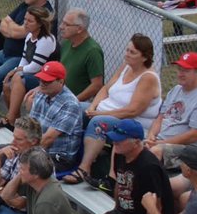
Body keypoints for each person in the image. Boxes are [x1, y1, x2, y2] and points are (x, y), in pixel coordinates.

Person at [65, 34, 161, 186]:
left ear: (144, 57)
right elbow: (105, 88)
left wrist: (99, 113)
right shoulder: (126, 66)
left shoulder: (148, 78)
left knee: (99, 122)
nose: (127, 54)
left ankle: (84, 168)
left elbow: (132, 111)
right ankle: (64, 156)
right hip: (104, 111)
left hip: (128, 122)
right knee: (74, 107)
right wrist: (92, 106)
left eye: (132, 52)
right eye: (127, 50)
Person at [145, 52, 197, 169]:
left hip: (188, 150)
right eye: (179, 69)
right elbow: (161, 117)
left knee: (152, 152)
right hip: (160, 140)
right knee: (127, 139)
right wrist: (151, 135)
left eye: (186, 70)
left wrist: (160, 144)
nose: (180, 74)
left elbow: (194, 136)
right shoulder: (176, 89)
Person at [26, 61, 84, 164]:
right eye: (41, 79)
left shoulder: (70, 104)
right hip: (37, 148)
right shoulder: (41, 92)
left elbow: (48, 139)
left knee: (22, 167)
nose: (42, 83)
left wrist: (24, 153)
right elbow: (31, 124)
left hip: (57, 157)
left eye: (47, 81)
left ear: (61, 82)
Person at [55, 10, 104, 103]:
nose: (61, 27)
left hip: (77, 102)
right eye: (62, 22)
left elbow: (97, 85)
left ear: (80, 29)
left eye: (66, 24)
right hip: (59, 94)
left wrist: (74, 100)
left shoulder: (93, 51)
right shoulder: (67, 42)